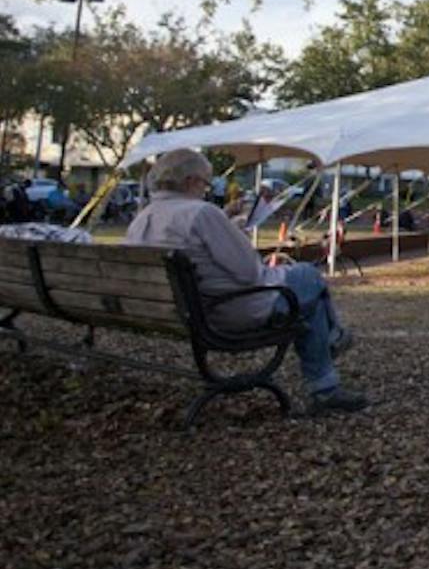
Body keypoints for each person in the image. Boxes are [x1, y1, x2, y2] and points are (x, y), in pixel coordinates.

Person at [126, 148, 367, 414]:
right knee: (307, 277)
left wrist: (227, 227)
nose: (207, 190)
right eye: (206, 184)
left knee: (307, 301)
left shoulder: (142, 219)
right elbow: (250, 272)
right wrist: (236, 235)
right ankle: (330, 359)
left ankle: (331, 359)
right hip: (227, 312)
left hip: (178, 312)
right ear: (191, 181)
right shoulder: (201, 213)